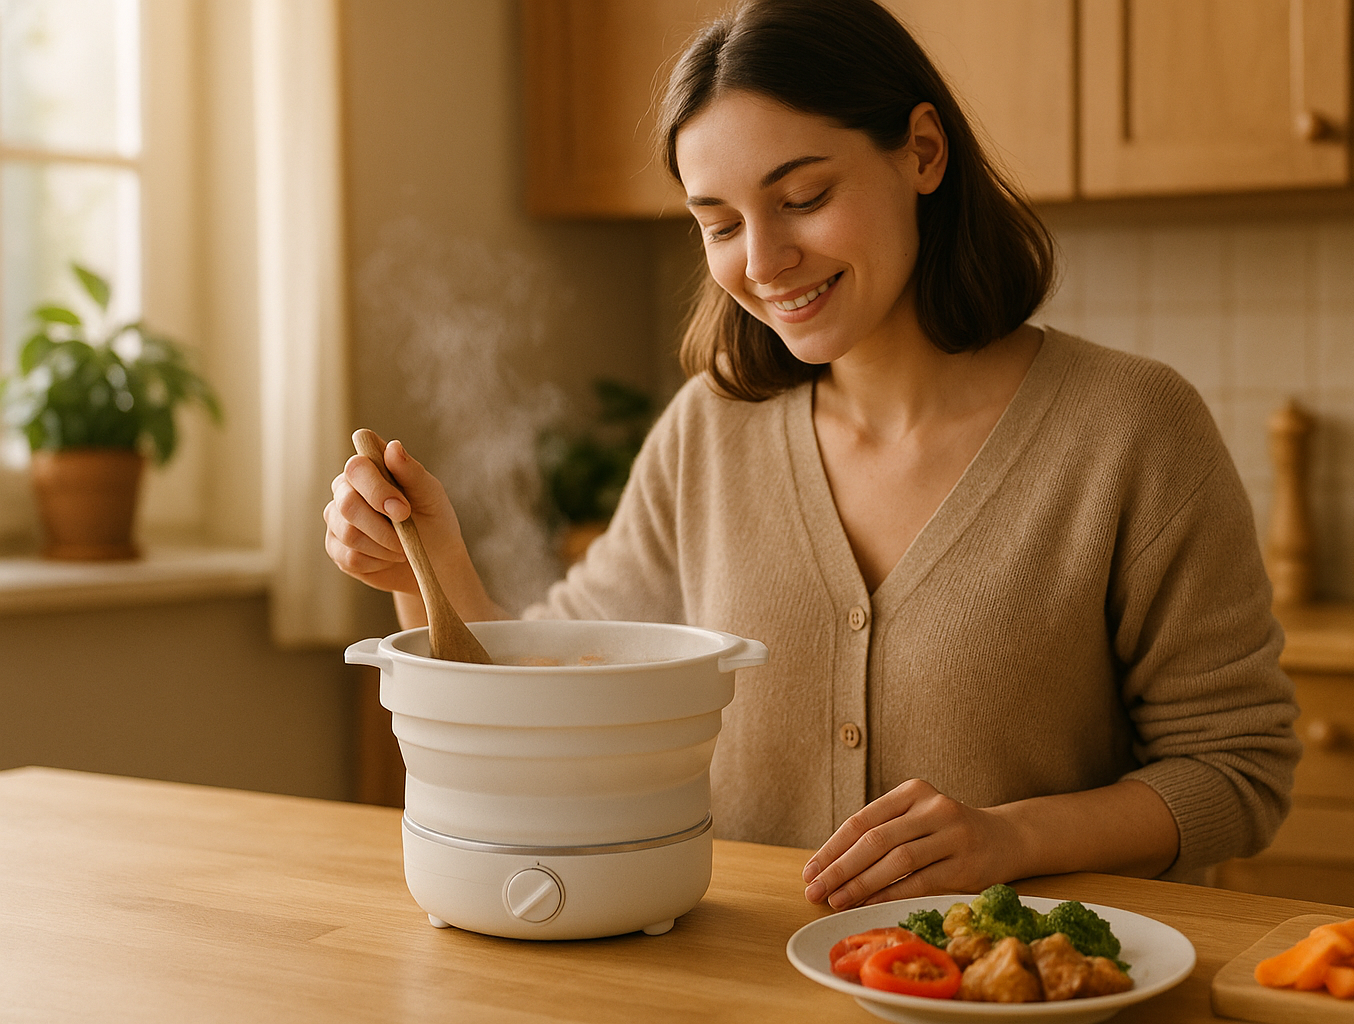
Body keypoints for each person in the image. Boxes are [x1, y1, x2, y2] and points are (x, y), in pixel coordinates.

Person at [324, 0, 1300, 912]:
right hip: (744, 997)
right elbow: (549, 708)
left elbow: (1236, 771)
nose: (762, 259)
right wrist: (428, 563)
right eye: (718, 223)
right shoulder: (708, 432)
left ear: (921, 152)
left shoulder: (1131, 428)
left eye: (802, 196)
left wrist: (1009, 839)